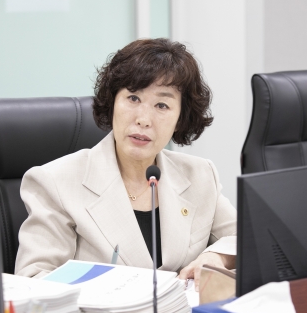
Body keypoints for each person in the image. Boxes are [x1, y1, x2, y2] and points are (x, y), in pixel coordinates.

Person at [15, 38, 236, 290]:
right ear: (112, 103)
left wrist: (216, 257)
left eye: (162, 105)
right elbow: (33, 280)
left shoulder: (200, 175)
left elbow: (247, 238)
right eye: (133, 98)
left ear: (180, 119)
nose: (143, 119)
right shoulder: (55, 182)